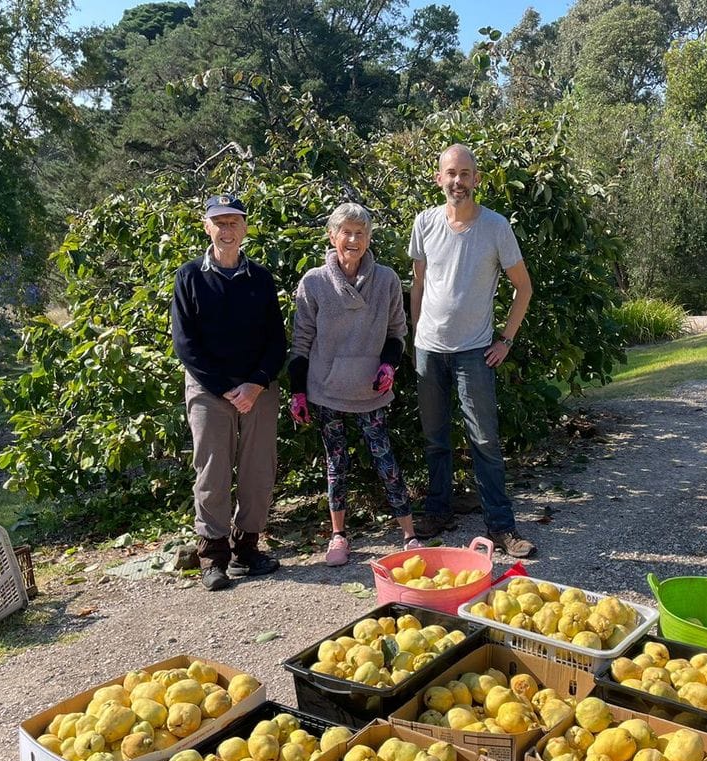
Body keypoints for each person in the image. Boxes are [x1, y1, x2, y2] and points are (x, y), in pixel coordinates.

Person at [408, 144, 537, 558]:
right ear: (438, 178)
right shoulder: (424, 223)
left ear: (477, 179)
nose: (457, 181)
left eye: (465, 174)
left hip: (474, 352)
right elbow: (418, 285)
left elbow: (524, 288)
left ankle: (501, 527)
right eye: (451, 173)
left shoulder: (496, 226)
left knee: (484, 440)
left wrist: (506, 340)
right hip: (428, 349)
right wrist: (414, 336)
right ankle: (438, 512)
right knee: (435, 439)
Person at [288, 202, 422, 566]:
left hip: (370, 388)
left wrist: (389, 366)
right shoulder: (313, 283)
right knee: (336, 462)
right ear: (332, 237)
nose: (353, 239)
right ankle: (337, 536)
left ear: (368, 239)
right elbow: (301, 342)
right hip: (326, 389)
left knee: (385, 459)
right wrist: (297, 391)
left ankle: (409, 535)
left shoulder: (387, 280)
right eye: (345, 232)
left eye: (360, 233)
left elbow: (397, 333)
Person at [171, 194, 286, 591]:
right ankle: (213, 555)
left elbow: (277, 341)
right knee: (212, 471)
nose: (227, 230)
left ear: (245, 228)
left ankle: (246, 551)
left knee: (258, 469)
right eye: (219, 223)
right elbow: (185, 344)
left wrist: (255, 384)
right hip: (208, 390)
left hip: (257, 389)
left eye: (234, 222)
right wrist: (224, 388)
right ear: (207, 227)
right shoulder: (189, 277)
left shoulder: (261, 278)